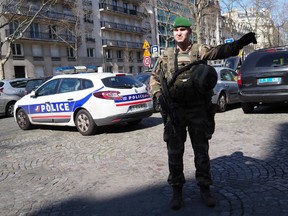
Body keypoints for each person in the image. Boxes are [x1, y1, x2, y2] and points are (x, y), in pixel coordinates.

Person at [149, 17, 257, 210]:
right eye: (176, 30)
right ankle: (177, 191)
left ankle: (205, 188)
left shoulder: (199, 50)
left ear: (190, 32)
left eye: (183, 29)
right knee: (174, 153)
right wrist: (158, 95)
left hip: (197, 109)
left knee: (201, 151)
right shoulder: (165, 55)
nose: (179, 33)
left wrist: (238, 44)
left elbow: (218, 51)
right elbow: (154, 78)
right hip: (175, 111)